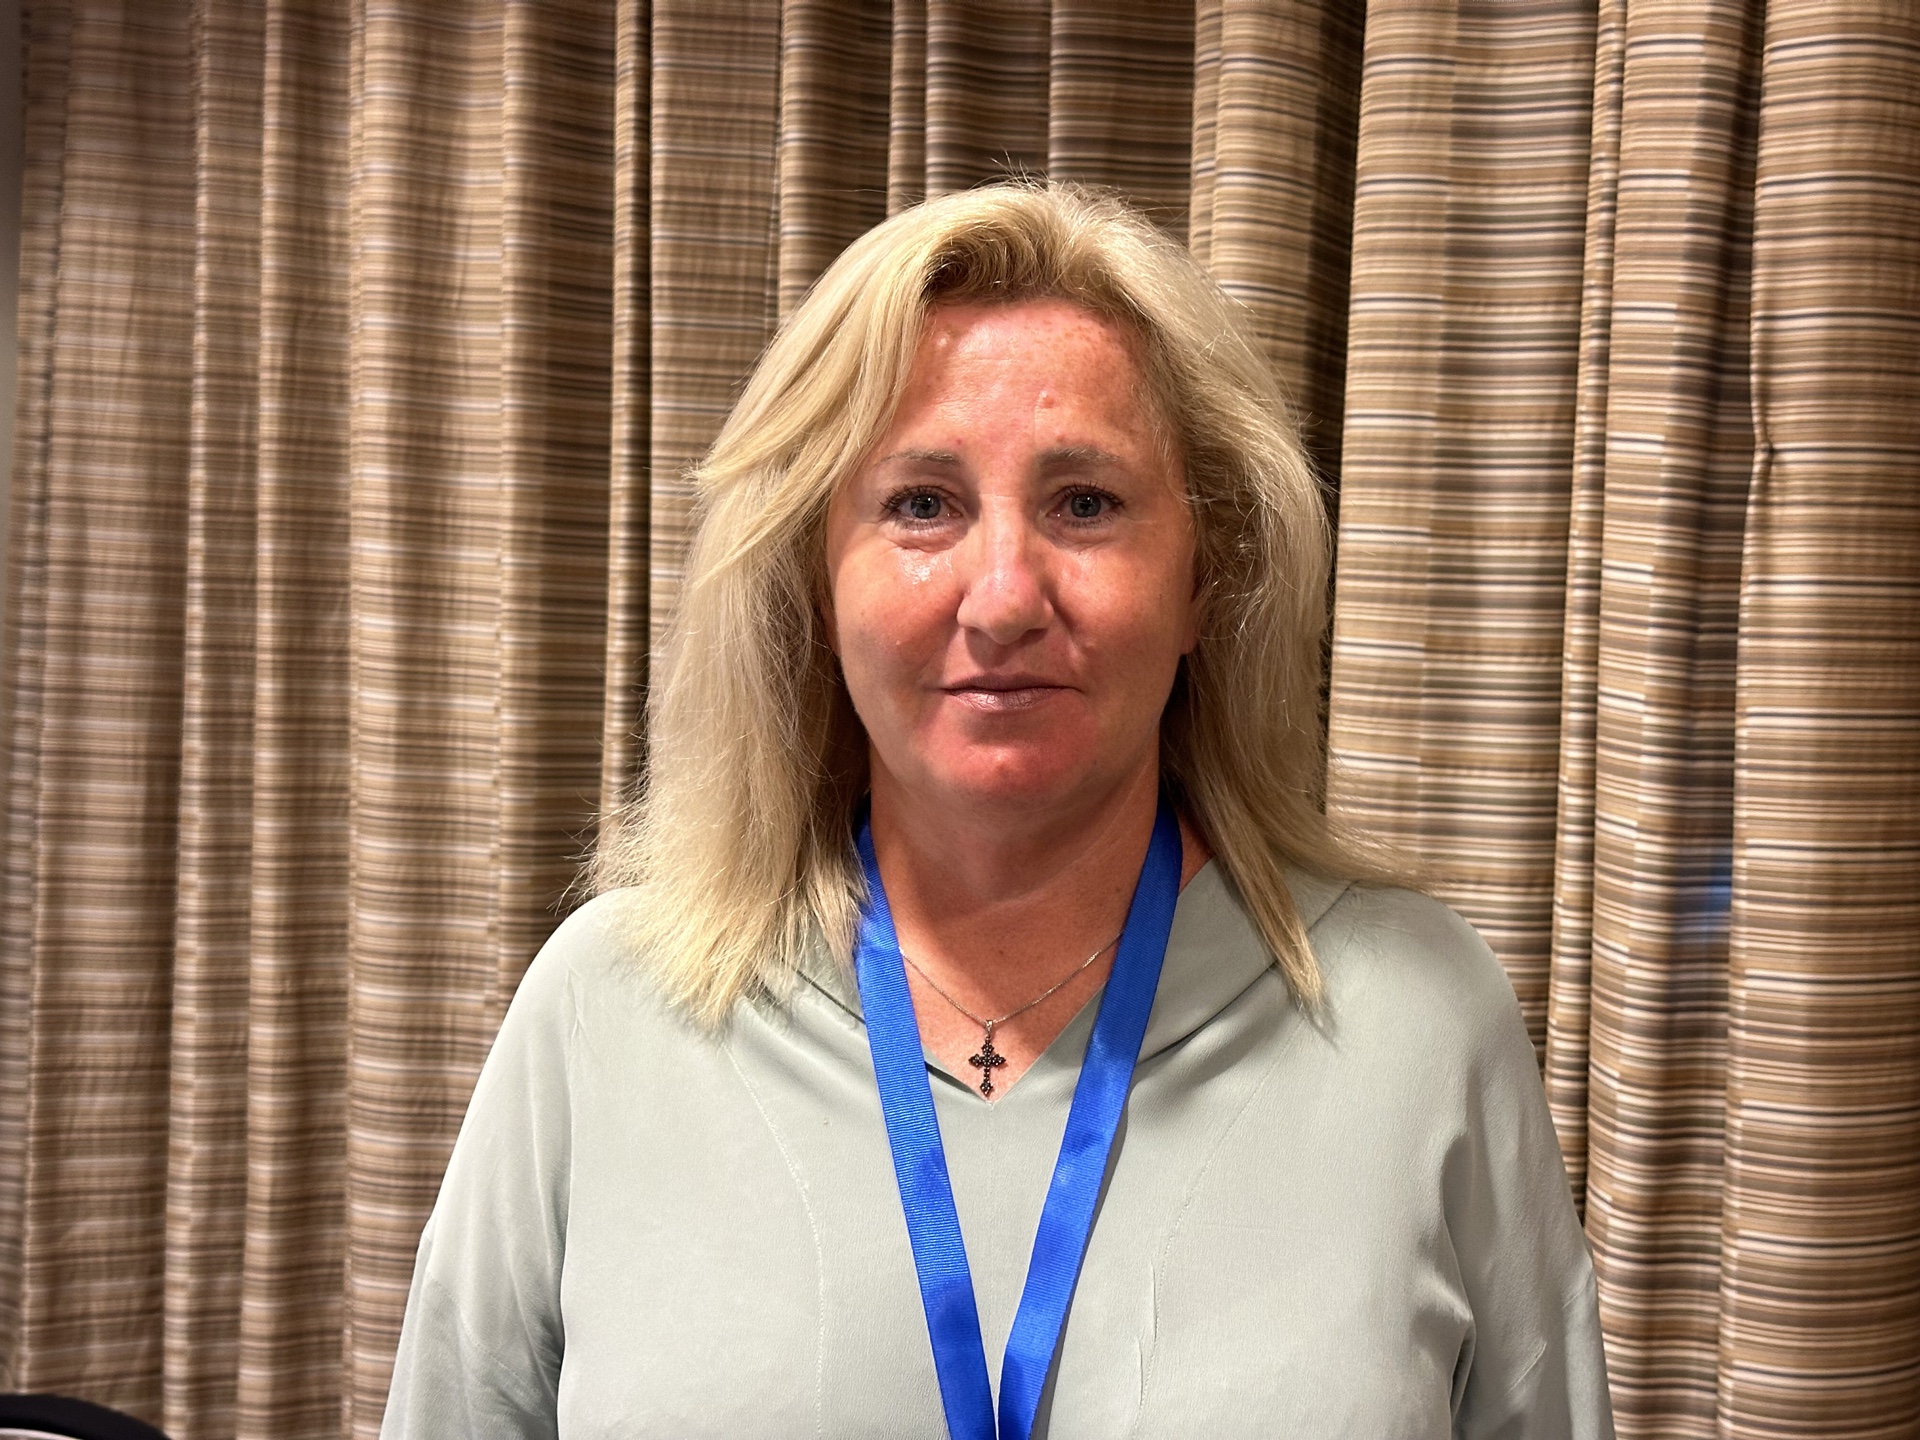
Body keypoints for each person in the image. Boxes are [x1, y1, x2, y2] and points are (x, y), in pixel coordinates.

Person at [380, 183, 1614, 1439]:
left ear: (1207, 578)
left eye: (1086, 503)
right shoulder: (603, 1013)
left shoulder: (1420, 1022)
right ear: (816, 577)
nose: (1006, 597)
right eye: (922, 504)